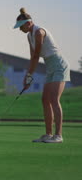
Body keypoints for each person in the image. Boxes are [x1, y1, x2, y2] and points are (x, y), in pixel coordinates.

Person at [13, 7, 70, 143]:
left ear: (29, 23)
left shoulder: (39, 32)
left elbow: (36, 56)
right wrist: (28, 76)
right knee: (45, 100)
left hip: (59, 65)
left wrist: (29, 76)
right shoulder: (29, 35)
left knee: (54, 99)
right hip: (50, 66)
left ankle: (58, 135)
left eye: (21, 26)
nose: (20, 29)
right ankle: (48, 134)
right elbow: (33, 56)